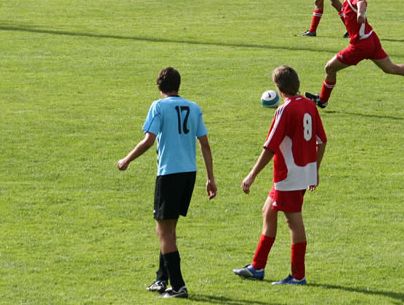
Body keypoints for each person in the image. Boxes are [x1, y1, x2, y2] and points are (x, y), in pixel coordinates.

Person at [117, 67, 217, 299]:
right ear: (178, 85)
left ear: (159, 87)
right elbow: (205, 144)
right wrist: (210, 178)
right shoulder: (194, 107)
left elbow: (149, 140)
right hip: (188, 174)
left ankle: (178, 286)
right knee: (168, 229)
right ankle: (162, 279)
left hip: (169, 173)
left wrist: (126, 159)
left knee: (164, 230)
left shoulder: (158, 106)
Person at [234, 65, 327, 285]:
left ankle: (298, 275)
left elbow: (270, 147)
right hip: (301, 173)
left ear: (279, 88)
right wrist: (314, 170)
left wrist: (251, 175)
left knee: (294, 223)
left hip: (289, 175)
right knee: (268, 211)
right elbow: (322, 141)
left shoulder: (284, 110)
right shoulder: (309, 105)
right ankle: (257, 267)